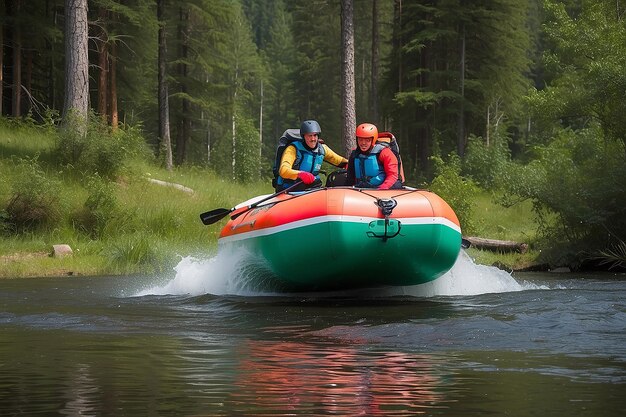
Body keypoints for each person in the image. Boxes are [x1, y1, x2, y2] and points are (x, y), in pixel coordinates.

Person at [276, 120, 348, 191]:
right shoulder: (293, 149)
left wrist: (349, 164)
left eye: (315, 135)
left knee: (339, 178)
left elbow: (340, 161)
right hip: (290, 188)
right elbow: (283, 170)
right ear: (303, 136)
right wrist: (300, 174)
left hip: (312, 188)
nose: (313, 139)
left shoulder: (322, 149)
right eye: (310, 136)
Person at [346, 122, 403, 190]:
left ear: (373, 140)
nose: (363, 143)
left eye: (367, 140)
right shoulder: (355, 154)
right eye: (360, 140)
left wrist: (382, 189)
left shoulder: (384, 152)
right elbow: (350, 178)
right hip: (360, 189)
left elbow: (393, 175)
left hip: (381, 188)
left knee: (396, 184)